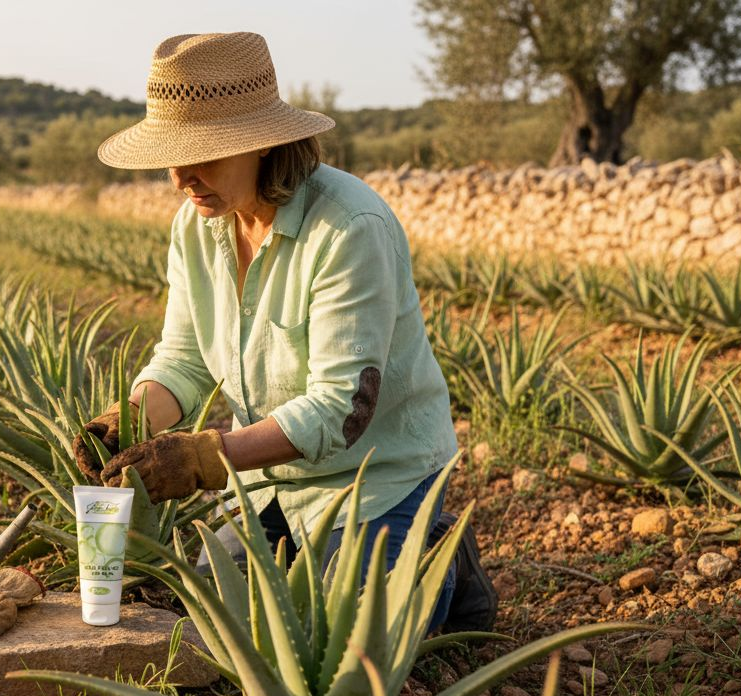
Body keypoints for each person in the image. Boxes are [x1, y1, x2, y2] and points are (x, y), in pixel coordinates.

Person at [70, 32, 495, 633]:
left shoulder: (349, 228)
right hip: (268, 476)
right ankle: (324, 551)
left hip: (372, 474)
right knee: (218, 617)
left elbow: (340, 406)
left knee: (355, 637)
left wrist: (203, 459)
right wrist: (129, 419)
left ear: (262, 147)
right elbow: (185, 359)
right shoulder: (196, 227)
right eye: (173, 157)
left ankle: (438, 554)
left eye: (204, 154)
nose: (182, 178)